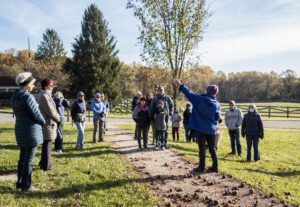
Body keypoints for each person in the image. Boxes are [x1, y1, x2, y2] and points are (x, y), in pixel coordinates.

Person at [173, 79, 221, 173]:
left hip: (201, 128)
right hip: (212, 130)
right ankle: (215, 167)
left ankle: (201, 167)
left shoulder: (200, 100)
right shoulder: (217, 104)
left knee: (202, 149)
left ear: (207, 91)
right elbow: (218, 118)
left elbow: (189, 93)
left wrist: (180, 85)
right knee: (212, 148)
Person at [12, 72, 45, 191]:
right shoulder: (27, 96)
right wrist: (43, 122)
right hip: (30, 131)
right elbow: (36, 114)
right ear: (27, 84)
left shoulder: (15, 96)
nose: (34, 85)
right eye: (33, 83)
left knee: (22, 158)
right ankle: (26, 186)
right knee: (29, 160)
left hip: (20, 129)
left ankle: (20, 183)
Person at [38, 79, 61, 171]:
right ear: (46, 86)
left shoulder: (46, 95)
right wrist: (59, 119)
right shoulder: (44, 96)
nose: (52, 87)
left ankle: (43, 163)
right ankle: (47, 166)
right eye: (51, 85)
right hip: (48, 123)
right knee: (48, 145)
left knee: (46, 144)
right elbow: (51, 111)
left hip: (49, 122)